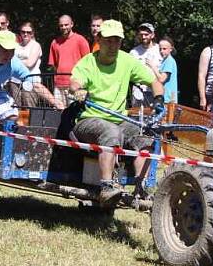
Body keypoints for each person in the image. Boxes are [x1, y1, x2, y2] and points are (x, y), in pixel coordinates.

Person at [68, 20, 164, 204]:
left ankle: (141, 187)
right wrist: (78, 90)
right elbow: (74, 82)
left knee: (145, 134)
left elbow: (155, 81)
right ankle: (106, 186)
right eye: (109, 40)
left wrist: (159, 100)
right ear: (99, 40)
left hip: (119, 119)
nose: (113, 45)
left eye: (117, 41)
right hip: (89, 120)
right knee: (111, 133)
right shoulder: (88, 62)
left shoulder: (127, 60)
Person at [48, 14, 91, 106]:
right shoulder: (55, 42)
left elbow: (88, 63)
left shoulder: (80, 40)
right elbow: (54, 65)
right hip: (59, 85)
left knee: (75, 113)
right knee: (58, 113)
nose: (64, 27)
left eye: (66, 25)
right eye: (61, 25)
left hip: (76, 84)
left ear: (72, 24)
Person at [6, 21, 43, 107]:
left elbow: (30, 63)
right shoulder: (16, 46)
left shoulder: (36, 45)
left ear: (32, 33)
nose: (26, 34)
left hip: (31, 81)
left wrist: (15, 62)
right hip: (14, 81)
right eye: (23, 32)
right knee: (16, 108)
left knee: (29, 108)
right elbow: (8, 61)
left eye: (28, 32)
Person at [129, 22, 162, 107]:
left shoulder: (160, 50)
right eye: (141, 34)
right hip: (138, 92)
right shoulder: (134, 52)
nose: (143, 37)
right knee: (137, 117)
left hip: (155, 92)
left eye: (146, 34)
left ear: (152, 35)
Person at [154, 36, 178, 103]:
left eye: (164, 49)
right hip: (168, 98)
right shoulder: (165, 61)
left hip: (168, 99)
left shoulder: (169, 61)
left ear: (171, 49)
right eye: (160, 49)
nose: (161, 51)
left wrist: (153, 67)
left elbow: (162, 79)